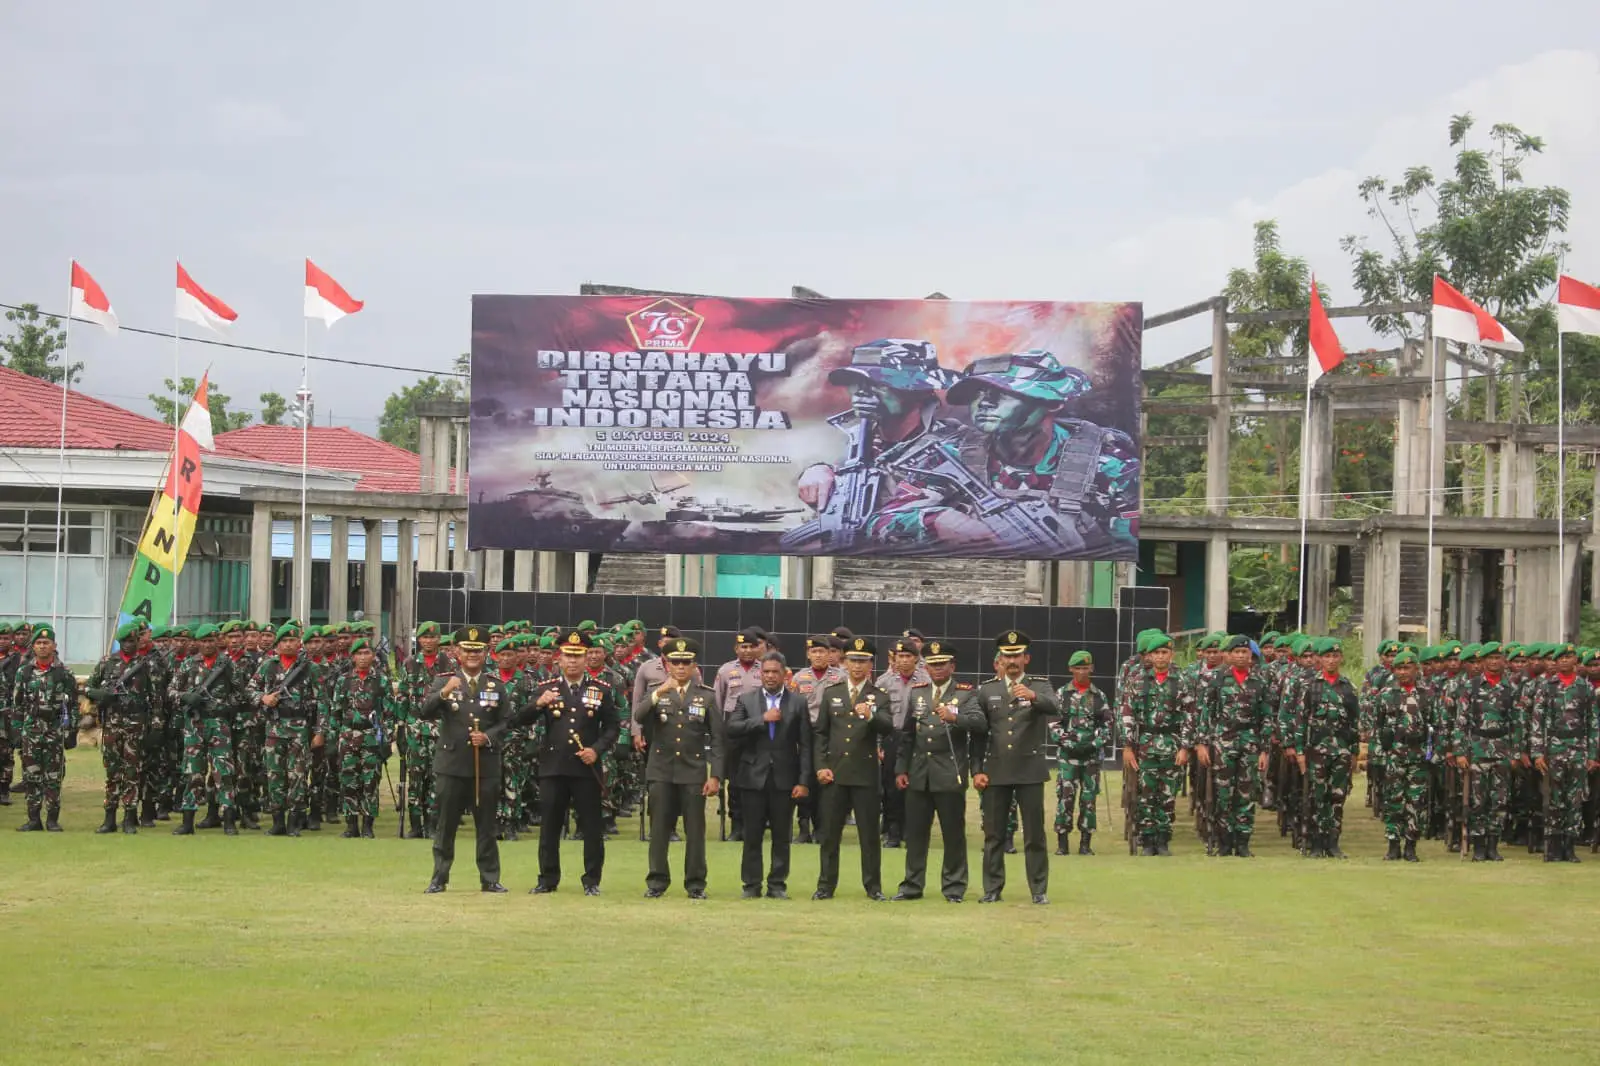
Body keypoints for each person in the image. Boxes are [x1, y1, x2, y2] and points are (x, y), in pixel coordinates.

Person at [523, 631, 620, 896]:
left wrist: (596, 750)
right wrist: (537, 705)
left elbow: (612, 727)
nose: (573, 661)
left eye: (579, 656)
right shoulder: (547, 688)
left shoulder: (600, 690)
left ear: (587, 658)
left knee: (591, 826)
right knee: (550, 827)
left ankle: (591, 880)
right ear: (559, 659)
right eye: (568, 656)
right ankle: (547, 878)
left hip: (585, 768)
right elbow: (519, 719)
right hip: (553, 767)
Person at [418, 626, 511, 893]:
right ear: (457, 652)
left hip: (486, 765)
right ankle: (439, 877)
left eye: (478, 650)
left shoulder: (496, 685)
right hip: (452, 764)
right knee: (445, 825)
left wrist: (489, 737)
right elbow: (424, 711)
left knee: (486, 825)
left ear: (486, 653)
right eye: (467, 650)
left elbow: (506, 721)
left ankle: (490, 878)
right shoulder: (443, 680)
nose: (472, 655)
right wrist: (444, 692)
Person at [971, 630, 1060, 903]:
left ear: (1026, 658)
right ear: (999, 659)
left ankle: (1038, 890)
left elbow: (1056, 707)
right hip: (996, 770)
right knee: (994, 834)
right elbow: (978, 734)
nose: (1012, 661)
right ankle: (992, 889)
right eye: (1007, 656)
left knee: (1034, 834)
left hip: (1029, 769)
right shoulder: (987, 690)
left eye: (1017, 655)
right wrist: (977, 770)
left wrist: (1033, 696)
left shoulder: (1040, 685)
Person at [893, 640, 984, 902]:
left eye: (942, 664)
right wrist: (902, 768)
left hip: (949, 772)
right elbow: (908, 735)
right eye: (932, 665)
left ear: (952, 666)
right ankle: (912, 885)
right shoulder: (918, 692)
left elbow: (979, 724)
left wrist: (957, 718)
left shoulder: (966, 693)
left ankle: (954, 886)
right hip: (919, 773)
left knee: (953, 834)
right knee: (916, 835)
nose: (937, 669)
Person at [635, 636, 725, 899]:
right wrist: (658, 693)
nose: (681, 668)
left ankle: (696, 883)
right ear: (667, 664)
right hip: (661, 770)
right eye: (676, 663)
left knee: (695, 832)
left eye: (686, 663)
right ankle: (656, 882)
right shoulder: (657, 692)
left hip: (692, 771)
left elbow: (718, 739)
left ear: (695, 665)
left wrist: (716, 775)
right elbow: (639, 716)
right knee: (660, 830)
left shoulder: (706, 696)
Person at [812, 636, 893, 900]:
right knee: (829, 834)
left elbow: (888, 727)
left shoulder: (878, 696)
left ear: (871, 664)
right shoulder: (832, 692)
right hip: (835, 773)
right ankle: (825, 885)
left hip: (865, 773)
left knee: (869, 835)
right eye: (853, 660)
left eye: (863, 661)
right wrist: (820, 766)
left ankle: (873, 886)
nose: (858, 666)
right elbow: (821, 734)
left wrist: (871, 716)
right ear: (844, 662)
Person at [727, 650, 811, 899]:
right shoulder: (747, 700)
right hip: (753, 776)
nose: (770, 676)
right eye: (766, 672)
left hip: (785, 779)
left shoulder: (798, 703)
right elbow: (732, 728)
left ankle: (777, 885)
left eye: (775, 672)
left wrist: (804, 781)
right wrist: (761, 720)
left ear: (785, 674)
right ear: (760, 674)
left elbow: (806, 745)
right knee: (752, 835)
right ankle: (751, 885)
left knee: (781, 836)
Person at [1195, 635, 1272, 857]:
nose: (1240, 656)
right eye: (1236, 652)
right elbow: (1206, 714)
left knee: (1247, 793)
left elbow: (1267, 718)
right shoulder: (1217, 680)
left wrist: (1264, 749)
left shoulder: (1259, 682)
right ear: (1228, 655)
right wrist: (1202, 743)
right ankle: (1225, 841)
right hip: (1223, 743)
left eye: (1244, 653)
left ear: (1250, 656)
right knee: (1223, 793)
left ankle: (1243, 842)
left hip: (1250, 743)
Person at [1284, 637, 1360, 859]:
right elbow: (1301, 721)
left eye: (1335, 656)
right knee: (1318, 798)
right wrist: (1299, 752)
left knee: (1338, 798)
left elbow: (1354, 723)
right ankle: (1316, 843)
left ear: (1341, 658)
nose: (1331, 660)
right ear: (1319, 659)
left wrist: (1354, 752)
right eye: (1327, 656)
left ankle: (1333, 842)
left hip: (1342, 752)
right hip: (1316, 751)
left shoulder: (1348, 688)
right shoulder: (1310, 687)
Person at [1121, 630, 1191, 857]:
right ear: (1148, 656)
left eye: (1164, 652)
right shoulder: (1138, 681)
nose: (1160, 657)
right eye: (1156, 653)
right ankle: (1148, 840)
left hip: (1172, 744)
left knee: (1167, 795)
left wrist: (1185, 747)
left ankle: (1163, 840)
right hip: (1145, 745)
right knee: (1146, 794)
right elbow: (1128, 715)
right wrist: (1128, 747)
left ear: (1171, 654)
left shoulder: (1181, 681)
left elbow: (1190, 715)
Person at [249, 621, 323, 838]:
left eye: (292, 640)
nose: (289, 644)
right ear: (278, 644)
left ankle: (294, 821)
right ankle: (277, 821)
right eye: (285, 641)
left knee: (298, 775)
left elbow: (323, 703)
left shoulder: (310, 668)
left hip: (300, 728)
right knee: (274, 775)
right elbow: (249, 689)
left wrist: (320, 732)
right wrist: (263, 698)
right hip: (274, 728)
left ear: (299, 643)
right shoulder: (268, 666)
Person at [85, 620, 159, 835]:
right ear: (119, 643)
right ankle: (109, 817)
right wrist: (101, 695)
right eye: (125, 641)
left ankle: (129, 818)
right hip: (112, 724)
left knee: (132, 772)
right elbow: (89, 686)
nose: (128, 645)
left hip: (136, 725)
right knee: (112, 772)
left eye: (132, 641)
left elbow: (155, 699)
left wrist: (155, 725)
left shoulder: (146, 664)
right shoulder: (107, 662)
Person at [168, 624, 242, 836]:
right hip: (194, 725)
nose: (208, 645)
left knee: (224, 773)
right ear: (198, 643)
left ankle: (228, 820)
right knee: (192, 773)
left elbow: (241, 693)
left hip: (218, 724)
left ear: (217, 642)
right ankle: (187, 821)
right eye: (204, 641)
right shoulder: (189, 664)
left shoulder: (227, 665)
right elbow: (171, 690)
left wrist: (224, 705)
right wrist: (185, 697)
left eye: (211, 641)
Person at [1530, 643, 1595, 863]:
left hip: (1578, 749)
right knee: (1554, 799)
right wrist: (1538, 752)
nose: (1565, 660)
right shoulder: (1546, 687)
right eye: (1561, 658)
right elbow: (1537, 721)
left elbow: (1593, 723)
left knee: (1575, 800)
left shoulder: (1585, 688)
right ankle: (1553, 847)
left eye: (1569, 657)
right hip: (1553, 749)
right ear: (1556, 663)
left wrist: (1593, 754)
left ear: (1576, 660)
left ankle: (1570, 846)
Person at [10, 624, 77, 832]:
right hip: (31, 731)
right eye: (38, 643)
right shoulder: (25, 672)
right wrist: (16, 730)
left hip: (54, 731)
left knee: (54, 776)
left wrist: (71, 731)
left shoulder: (64, 673)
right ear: (33, 646)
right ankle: (33, 819)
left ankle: (52, 819)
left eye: (46, 643)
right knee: (31, 776)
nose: (42, 647)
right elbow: (17, 704)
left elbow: (73, 704)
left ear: (54, 645)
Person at [1372, 648, 1435, 862]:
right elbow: (1377, 728)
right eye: (1399, 668)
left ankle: (1411, 845)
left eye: (1407, 668)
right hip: (1394, 755)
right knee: (1393, 801)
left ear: (1416, 669)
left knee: (1416, 801)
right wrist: (1378, 757)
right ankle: (1392, 844)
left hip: (1418, 756)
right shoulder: (1386, 695)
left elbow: (1438, 726)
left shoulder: (1428, 695)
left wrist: (1433, 755)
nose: (1403, 672)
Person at [330, 637, 396, 839]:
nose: (363, 657)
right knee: (348, 780)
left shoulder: (381, 680)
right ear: (352, 657)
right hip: (348, 735)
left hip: (371, 736)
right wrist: (334, 738)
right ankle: (351, 825)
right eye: (359, 654)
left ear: (373, 656)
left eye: (367, 653)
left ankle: (368, 825)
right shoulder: (344, 681)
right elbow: (336, 711)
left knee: (370, 782)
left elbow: (389, 712)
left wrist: (387, 739)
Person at [1051, 650, 1112, 857]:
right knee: (1065, 798)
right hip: (1068, 757)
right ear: (1070, 669)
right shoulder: (1061, 694)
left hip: (1091, 757)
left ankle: (1085, 843)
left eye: (1085, 668)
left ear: (1091, 669)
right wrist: (1068, 743)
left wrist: (1094, 744)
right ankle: (1062, 842)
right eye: (1077, 668)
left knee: (1089, 799)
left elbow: (1107, 725)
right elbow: (1053, 724)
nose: (1081, 672)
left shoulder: (1099, 696)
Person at [790, 635, 845, 843]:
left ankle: (822, 829)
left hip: (831, 733)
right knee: (805, 778)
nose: (819, 655)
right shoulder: (799, 678)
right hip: (805, 732)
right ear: (808, 654)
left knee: (826, 781)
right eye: (814, 652)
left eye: (823, 651)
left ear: (830, 653)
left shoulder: (840, 677)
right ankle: (803, 827)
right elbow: (792, 707)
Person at [876, 638, 930, 848]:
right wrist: (879, 743)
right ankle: (893, 830)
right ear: (894, 659)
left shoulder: (926, 680)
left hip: (918, 738)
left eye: (909, 656)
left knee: (915, 785)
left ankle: (911, 830)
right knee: (891, 787)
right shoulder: (883, 682)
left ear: (916, 659)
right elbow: (878, 715)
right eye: (901, 656)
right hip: (892, 737)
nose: (904, 661)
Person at [713, 628, 765, 841]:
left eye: (751, 646)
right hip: (733, 729)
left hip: (758, 728)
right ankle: (736, 824)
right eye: (743, 646)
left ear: (757, 648)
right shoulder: (726, 671)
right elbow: (717, 701)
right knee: (734, 779)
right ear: (736, 648)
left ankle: (755, 824)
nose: (747, 650)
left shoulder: (765, 670)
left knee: (757, 778)